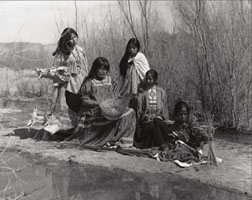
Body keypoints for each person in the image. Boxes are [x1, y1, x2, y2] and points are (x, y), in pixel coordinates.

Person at [65, 57, 136, 147]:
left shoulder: (110, 80)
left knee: (130, 112)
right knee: (106, 116)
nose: (104, 72)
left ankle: (121, 140)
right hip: (95, 111)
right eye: (101, 69)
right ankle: (109, 139)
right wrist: (99, 104)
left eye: (105, 69)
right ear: (95, 69)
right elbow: (84, 101)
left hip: (110, 109)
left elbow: (116, 94)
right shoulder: (89, 82)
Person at [36, 27, 88, 127]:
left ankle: (79, 127)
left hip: (81, 82)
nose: (74, 40)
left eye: (75, 37)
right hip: (67, 85)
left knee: (81, 104)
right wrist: (45, 73)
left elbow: (86, 66)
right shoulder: (61, 53)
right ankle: (63, 128)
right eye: (71, 38)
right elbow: (55, 69)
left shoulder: (81, 51)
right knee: (65, 106)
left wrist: (87, 79)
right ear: (66, 39)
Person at [134, 69, 169, 149]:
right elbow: (139, 111)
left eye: (150, 79)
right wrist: (145, 117)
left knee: (157, 122)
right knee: (152, 125)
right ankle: (159, 144)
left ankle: (162, 144)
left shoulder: (161, 92)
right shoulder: (142, 93)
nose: (148, 81)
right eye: (147, 79)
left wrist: (161, 117)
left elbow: (165, 111)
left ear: (155, 80)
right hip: (147, 120)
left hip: (159, 119)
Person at [117, 38, 150, 110]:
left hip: (139, 86)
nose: (131, 50)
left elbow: (146, 72)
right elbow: (122, 75)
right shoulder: (125, 59)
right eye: (130, 48)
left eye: (134, 48)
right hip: (127, 88)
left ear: (137, 48)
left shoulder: (140, 57)